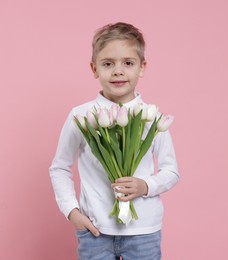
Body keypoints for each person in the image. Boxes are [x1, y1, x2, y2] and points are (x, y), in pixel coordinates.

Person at [49, 22, 179, 260]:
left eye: (128, 63)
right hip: (95, 230)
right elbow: (59, 167)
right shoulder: (81, 116)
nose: (118, 71)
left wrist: (145, 186)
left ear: (142, 67)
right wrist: (72, 212)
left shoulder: (153, 118)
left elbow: (171, 171)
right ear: (94, 68)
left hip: (144, 231)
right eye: (108, 64)